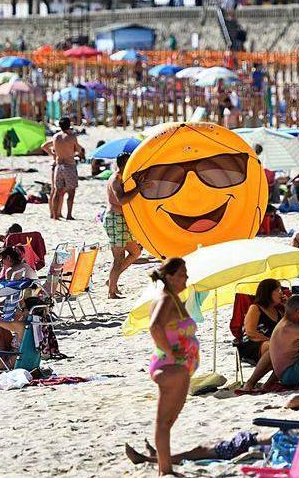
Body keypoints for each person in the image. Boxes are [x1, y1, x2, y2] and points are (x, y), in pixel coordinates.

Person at [147, 258, 198, 476]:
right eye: (182, 274)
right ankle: (164, 470)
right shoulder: (166, 298)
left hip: (175, 367)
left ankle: (165, 468)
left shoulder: (173, 299)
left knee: (167, 422)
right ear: (169, 277)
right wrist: (170, 352)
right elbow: (155, 326)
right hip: (171, 367)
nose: (186, 277)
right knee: (164, 422)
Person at [124, 425, 299, 468]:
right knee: (203, 447)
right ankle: (160, 456)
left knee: (200, 451)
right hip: (250, 439)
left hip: (249, 444)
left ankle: (150, 461)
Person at [105, 152, 143, 299]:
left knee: (136, 252)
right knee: (118, 257)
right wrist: (138, 187)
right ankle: (111, 292)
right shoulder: (115, 179)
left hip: (122, 220)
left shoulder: (124, 178)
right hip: (115, 219)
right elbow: (121, 199)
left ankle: (111, 281)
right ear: (124, 163)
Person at [238, 279, 285, 389]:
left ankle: (268, 384)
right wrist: (270, 340)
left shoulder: (278, 311)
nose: (281, 293)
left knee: (287, 350)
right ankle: (250, 383)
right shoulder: (255, 308)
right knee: (275, 348)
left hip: (271, 344)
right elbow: (250, 332)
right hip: (251, 344)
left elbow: (290, 328)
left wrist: (287, 305)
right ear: (268, 293)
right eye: (278, 290)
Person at [42, 117, 85, 220]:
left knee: (57, 191)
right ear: (69, 125)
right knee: (71, 192)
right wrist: (81, 153)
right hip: (69, 165)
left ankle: (55, 215)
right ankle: (69, 215)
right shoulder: (71, 137)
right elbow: (79, 150)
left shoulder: (55, 137)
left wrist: (53, 154)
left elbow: (49, 148)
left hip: (58, 166)